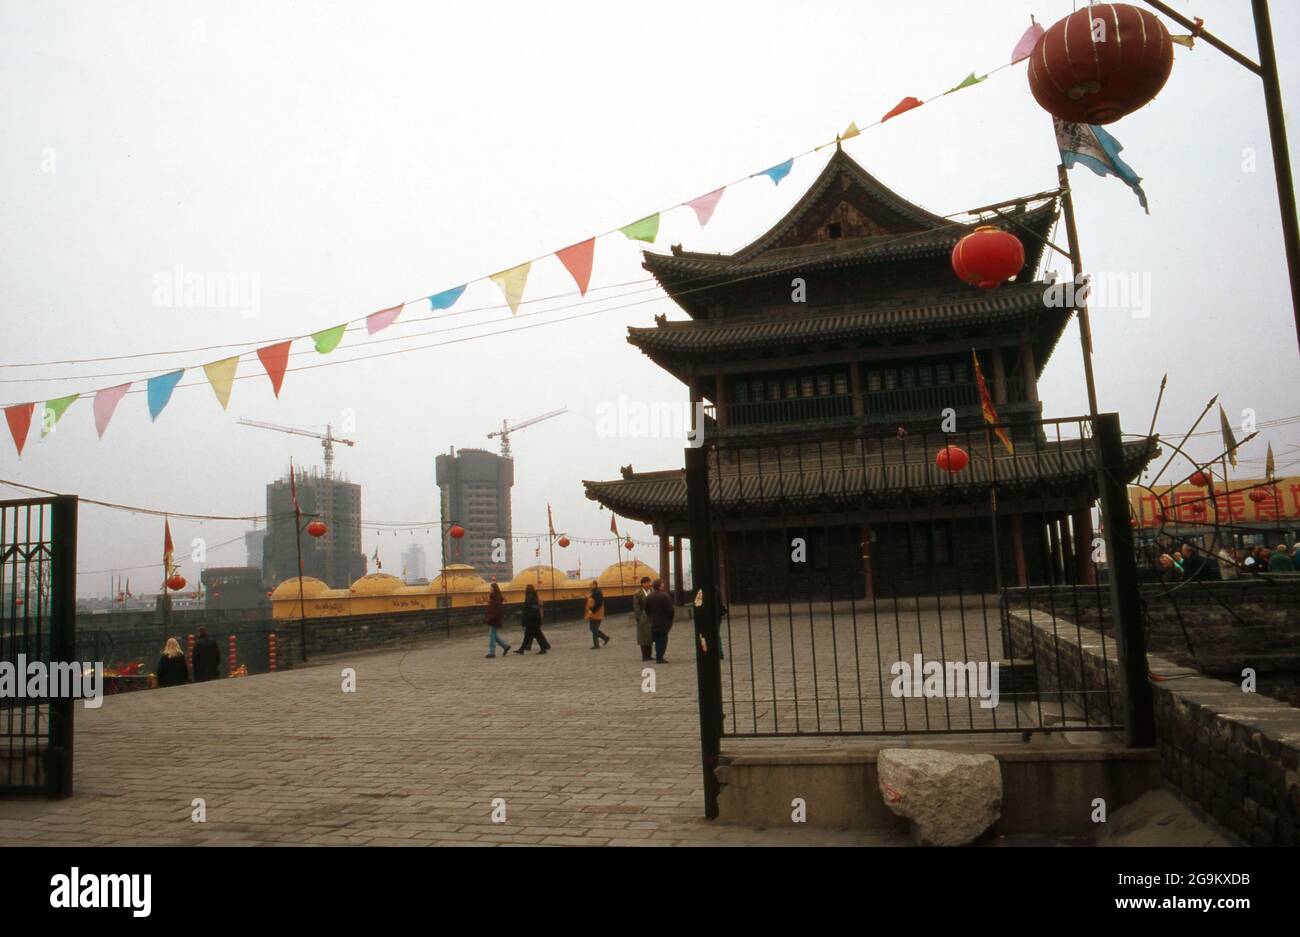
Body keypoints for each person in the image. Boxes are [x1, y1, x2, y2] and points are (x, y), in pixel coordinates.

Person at [644, 578, 675, 663]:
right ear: (660, 586)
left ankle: (658, 656)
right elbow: (670, 610)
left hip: (653, 622)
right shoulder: (665, 596)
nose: (663, 585)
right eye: (662, 584)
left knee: (657, 639)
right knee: (662, 640)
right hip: (664, 622)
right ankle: (660, 657)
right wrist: (670, 619)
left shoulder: (649, 596)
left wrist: (650, 617)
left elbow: (646, 609)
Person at [518, 583, 550, 654]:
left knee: (534, 635)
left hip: (531, 620)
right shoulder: (534, 596)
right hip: (534, 619)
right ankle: (522, 649)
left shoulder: (529, 597)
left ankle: (543, 648)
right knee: (530, 635)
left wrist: (525, 617)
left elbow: (527, 607)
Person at [484, 582, 511, 658]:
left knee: (492, 635)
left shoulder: (496, 598)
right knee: (492, 634)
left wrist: (491, 617)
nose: (490, 589)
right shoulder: (493, 597)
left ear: (494, 589)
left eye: (491, 588)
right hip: (492, 618)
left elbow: (497, 610)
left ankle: (491, 652)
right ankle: (505, 646)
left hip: (494, 619)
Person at [632, 576, 653, 661]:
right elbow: (636, 606)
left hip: (651, 616)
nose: (648, 584)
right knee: (642, 637)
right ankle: (644, 655)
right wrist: (639, 617)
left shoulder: (652, 591)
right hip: (642, 616)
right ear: (643, 584)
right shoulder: (638, 593)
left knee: (650, 636)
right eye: (646, 582)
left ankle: (650, 655)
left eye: (649, 582)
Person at [584, 580, 609, 649]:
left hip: (596, 614)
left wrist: (592, 611)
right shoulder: (594, 592)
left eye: (591, 585)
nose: (590, 586)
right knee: (592, 629)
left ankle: (597, 644)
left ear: (595, 585)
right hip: (594, 614)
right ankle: (605, 638)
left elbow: (598, 603)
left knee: (594, 628)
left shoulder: (597, 593)